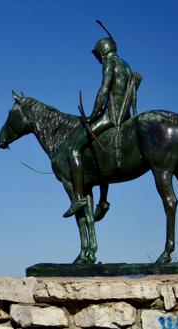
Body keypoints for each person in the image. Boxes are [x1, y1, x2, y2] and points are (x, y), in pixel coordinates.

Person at [65, 36, 142, 218]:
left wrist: (92, 115)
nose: (98, 58)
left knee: (74, 149)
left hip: (112, 115)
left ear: (102, 51)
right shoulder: (126, 64)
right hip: (126, 116)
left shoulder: (109, 64)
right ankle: (103, 201)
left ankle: (78, 198)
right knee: (99, 153)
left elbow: (104, 91)